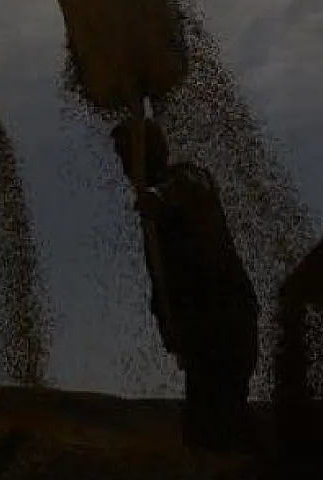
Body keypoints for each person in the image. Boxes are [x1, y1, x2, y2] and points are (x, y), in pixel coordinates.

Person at [111, 118, 260, 452]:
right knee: (208, 420)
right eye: (119, 157)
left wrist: (157, 196)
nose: (123, 166)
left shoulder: (184, 178)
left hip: (227, 317)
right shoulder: (153, 220)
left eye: (127, 155)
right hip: (200, 329)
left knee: (219, 419)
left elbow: (190, 185)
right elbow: (163, 280)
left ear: (149, 153)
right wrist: (169, 323)